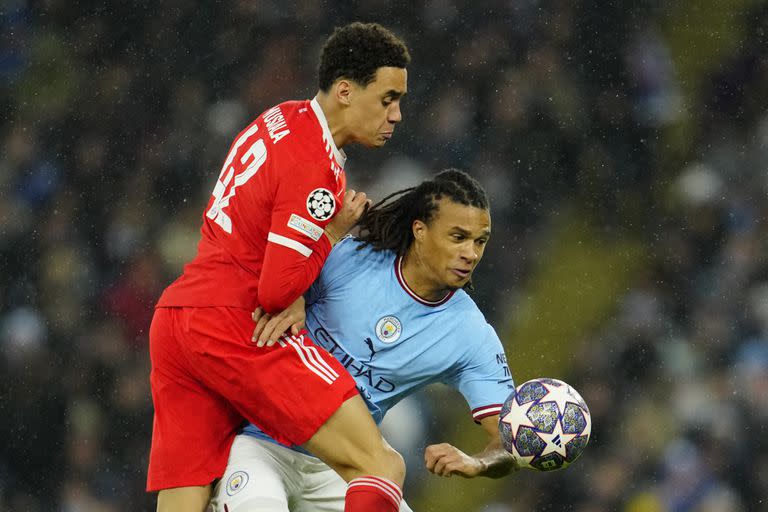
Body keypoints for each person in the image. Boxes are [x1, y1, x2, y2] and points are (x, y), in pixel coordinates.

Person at [147, 22, 411, 512]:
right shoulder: (314, 163)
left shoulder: (281, 117)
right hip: (240, 325)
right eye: (388, 98)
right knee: (381, 465)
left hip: (178, 316)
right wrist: (331, 236)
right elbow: (275, 291)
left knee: (186, 494)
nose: (396, 115)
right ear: (346, 91)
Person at [209, 169, 518, 512]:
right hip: (260, 442)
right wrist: (291, 292)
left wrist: (478, 463)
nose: (471, 253)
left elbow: (508, 439)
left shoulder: (471, 334)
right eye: (458, 237)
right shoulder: (349, 259)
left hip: (343, 466)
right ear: (420, 231)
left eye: (480, 241)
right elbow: (259, 286)